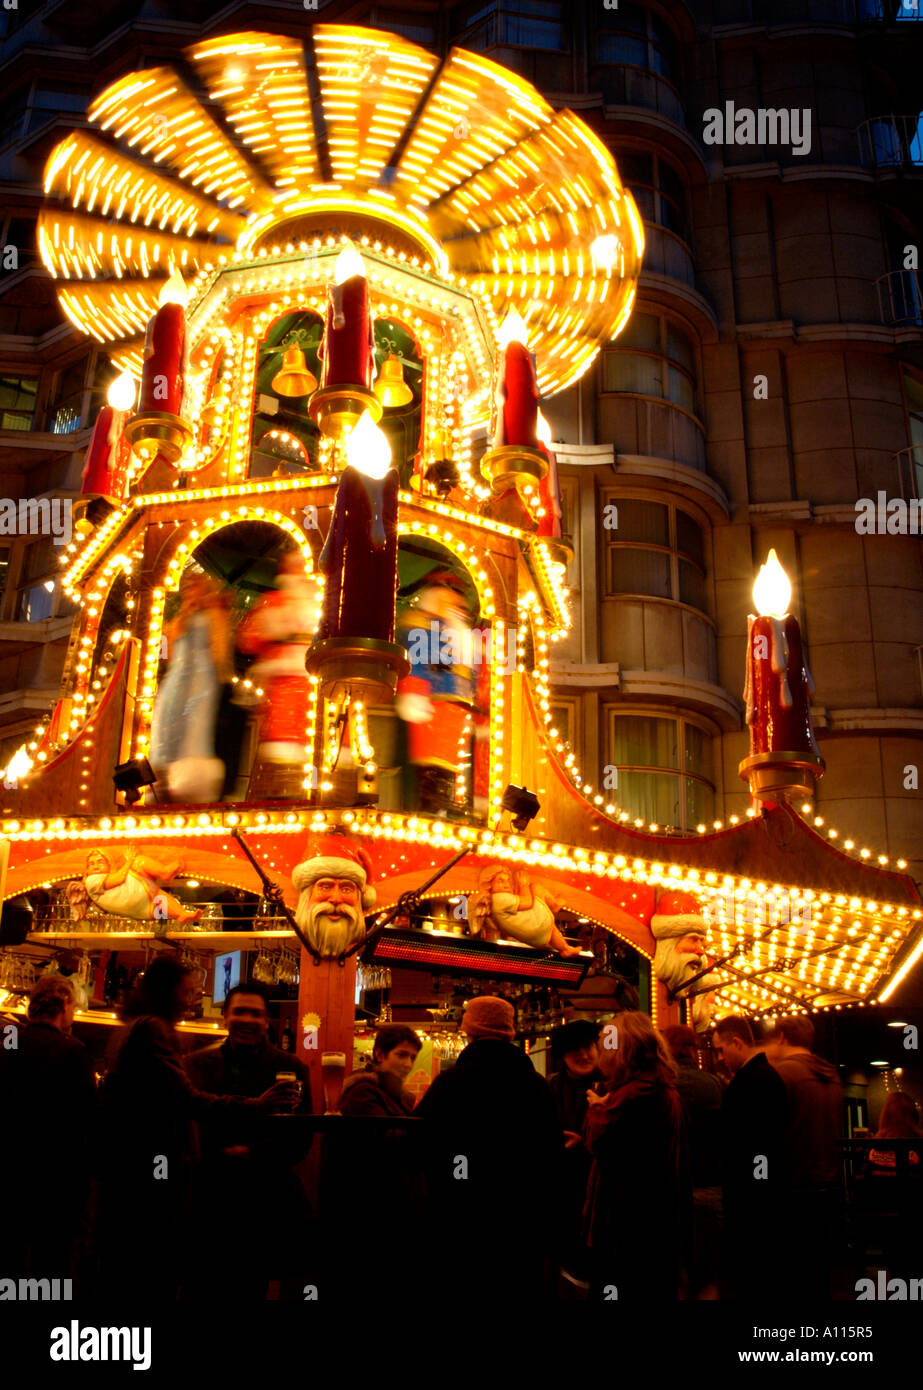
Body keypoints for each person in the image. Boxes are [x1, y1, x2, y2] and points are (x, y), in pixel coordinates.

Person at [93, 956, 296, 1300]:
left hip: (136, 1178)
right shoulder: (156, 1032)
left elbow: (294, 1139)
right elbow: (184, 1099)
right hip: (161, 1182)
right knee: (153, 1277)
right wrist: (256, 1106)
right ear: (170, 992)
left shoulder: (133, 1028)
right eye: (188, 991)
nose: (192, 998)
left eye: (256, 1014)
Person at [416, 995, 564, 1300]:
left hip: (460, 1221)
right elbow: (551, 1155)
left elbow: (420, 1143)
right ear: (510, 1034)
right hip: (521, 1224)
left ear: (469, 1034)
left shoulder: (450, 1083)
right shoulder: (535, 1085)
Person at [183, 982, 314, 1299]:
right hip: (207, 1199)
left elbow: (301, 1137)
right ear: (225, 1016)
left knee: (250, 1288)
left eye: (255, 1014)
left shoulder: (290, 1068)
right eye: (239, 1011)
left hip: (263, 1201)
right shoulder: (196, 1065)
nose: (247, 1019)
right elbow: (185, 1127)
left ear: (267, 1021)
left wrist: (251, 1153)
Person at [583, 1011, 691, 1302]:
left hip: (629, 1225)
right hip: (656, 1221)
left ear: (620, 1052)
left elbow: (606, 1146)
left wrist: (597, 1110)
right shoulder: (660, 1089)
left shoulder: (634, 1095)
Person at [0, 975, 96, 1284]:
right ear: (65, 1004)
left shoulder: (8, 1040)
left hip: (9, 1172)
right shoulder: (73, 1051)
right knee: (49, 1263)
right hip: (53, 1180)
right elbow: (86, 1122)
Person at [765, 1014, 844, 1299]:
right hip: (829, 1182)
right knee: (818, 1272)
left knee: (790, 1275)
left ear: (782, 1038)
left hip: (792, 1186)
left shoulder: (782, 1074)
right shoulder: (832, 1075)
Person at [712, 1015, 788, 1299]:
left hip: (750, 1199)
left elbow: (753, 1145)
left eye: (721, 1049)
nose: (719, 1058)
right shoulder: (766, 1077)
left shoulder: (749, 1082)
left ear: (737, 1042)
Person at [149, 568, 231, 803]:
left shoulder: (214, 613)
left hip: (200, 679)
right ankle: (162, 775)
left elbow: (220, 652)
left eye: (194, 587)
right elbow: (166, 652)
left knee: (193, 727)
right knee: (166, 724)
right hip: (176, 679)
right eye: (187, 588)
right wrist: (184, 616)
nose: (190, 592)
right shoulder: (180, 620)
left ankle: (188, 782)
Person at [662, 1024, 723, 1299]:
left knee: (677, 1274)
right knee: (708, 1273)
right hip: (710, 1185)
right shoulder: (713, 1084)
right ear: (693, 1049)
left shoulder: (663, 1085)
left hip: (672, 1188)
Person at [547, 1020, 602, 1289]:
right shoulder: (549, 1088)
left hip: (603, 1190)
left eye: (587, 1047)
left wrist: (587, 1144)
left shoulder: (612, 1084)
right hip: (563, 1190)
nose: (583, 1055)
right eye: (573, 1051)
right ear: (563, 1056)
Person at [856, 1092, 923, 1280]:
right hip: (913, 1221)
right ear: (913, 1115)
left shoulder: (872, 1147)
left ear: (884, 1116)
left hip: (877, 1223)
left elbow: (864, 1184)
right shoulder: (918, 1145)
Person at [340, 1024, 421, 1118]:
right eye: (401, 1055)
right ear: (380, 1055)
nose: (408, 1064)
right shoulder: (362, 1093)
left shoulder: (401, 1097)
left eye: (413, 1058)